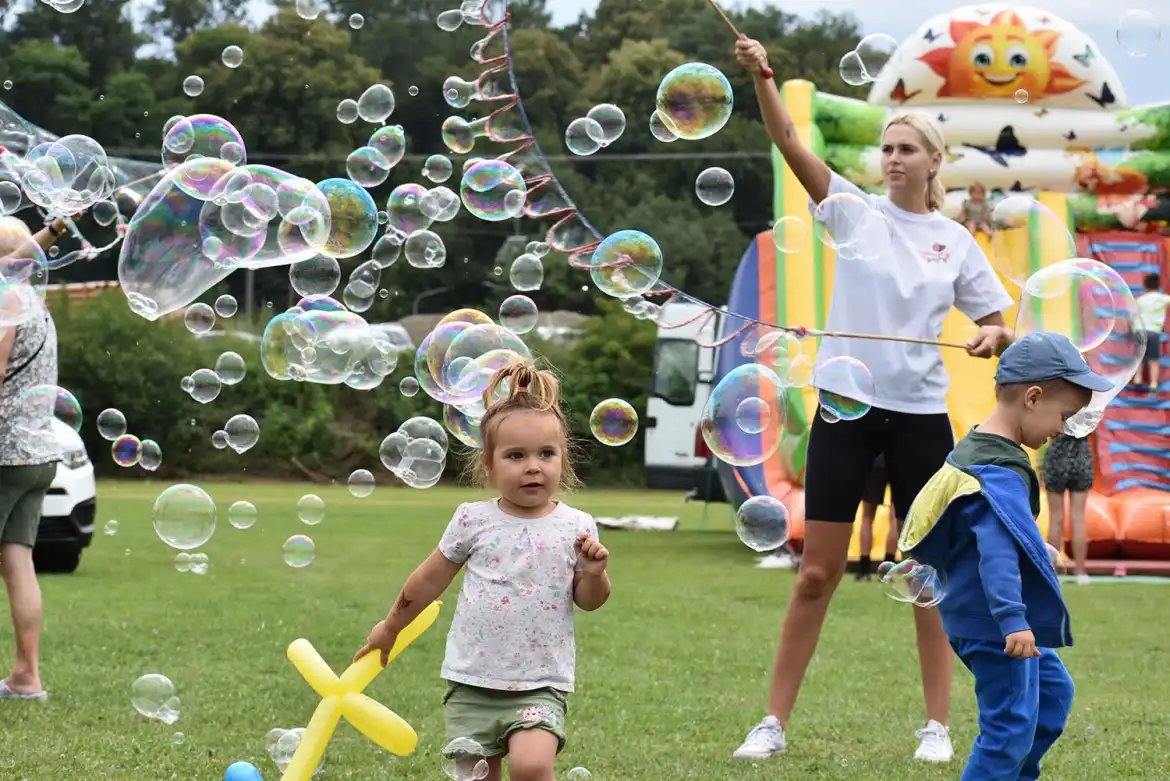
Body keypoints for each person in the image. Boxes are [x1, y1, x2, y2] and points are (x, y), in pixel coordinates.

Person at [733, 37, 1016, 763]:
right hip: (843, 408)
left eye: (904, 149)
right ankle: (772, 721)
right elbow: (789, 139)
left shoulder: (954, 241)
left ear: (931, 162)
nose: (890, 158)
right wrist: (763, 74)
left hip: (922, 418)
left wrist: (990, 337)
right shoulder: (852, 212)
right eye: (885, 148)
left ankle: (937, 725)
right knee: (817, 571)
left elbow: (998, 321)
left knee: (929, 574)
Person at [354, 360, 611, 781]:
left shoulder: (576, 525)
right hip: (472, 681)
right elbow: (428, 580)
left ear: (563, 461)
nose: (533, 466)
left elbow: (588, 600)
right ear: (488, 465)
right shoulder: (473, 520)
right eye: (516, 455)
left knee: (532, 766)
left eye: (546, 454)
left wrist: (594, 574)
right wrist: (390, 627)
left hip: (539, 682)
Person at [898, 332, 1112, 779]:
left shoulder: (983, 449)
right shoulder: (998, 471)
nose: (1061, 430)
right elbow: (995, 552)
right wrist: (1014, 620)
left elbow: (992, 532)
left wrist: (1036, 547)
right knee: (1009, 729)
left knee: (1052, 698)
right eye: (1064, 416)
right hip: (996, 622)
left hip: (992, 614)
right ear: (1033, 397)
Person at [0, 213, 71, 702]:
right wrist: (56, 227)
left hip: (4, 454)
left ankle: (27, 677)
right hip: (38, 454)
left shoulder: (4, 300)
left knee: (17, 559)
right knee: (17, 558)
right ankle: (27, 678)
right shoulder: (37, 306)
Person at [1042, 434, 1094, 585]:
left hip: (1057, 453)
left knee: (1055, 517)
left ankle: (1052, 571)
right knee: (1078, 516)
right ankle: (1081, 572)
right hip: (1081, 452)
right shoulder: (1087, 409)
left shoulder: (1055, 409)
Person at [855, 454, 898, 582]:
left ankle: (864, 570)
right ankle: (888, 570)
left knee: (867, 516)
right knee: (895, 517)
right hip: (899, 459)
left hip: (876, 460)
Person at [1136, 273, 1169, 393]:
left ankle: (1138, 377)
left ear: (1144, 286)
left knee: (1140, 356)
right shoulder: (1162, 298)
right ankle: (1153, 383)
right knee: (1153, 359)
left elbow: (1134, 314)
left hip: (1140, 331)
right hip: (1154, 332)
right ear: (1159, 286)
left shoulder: (1140, 300)